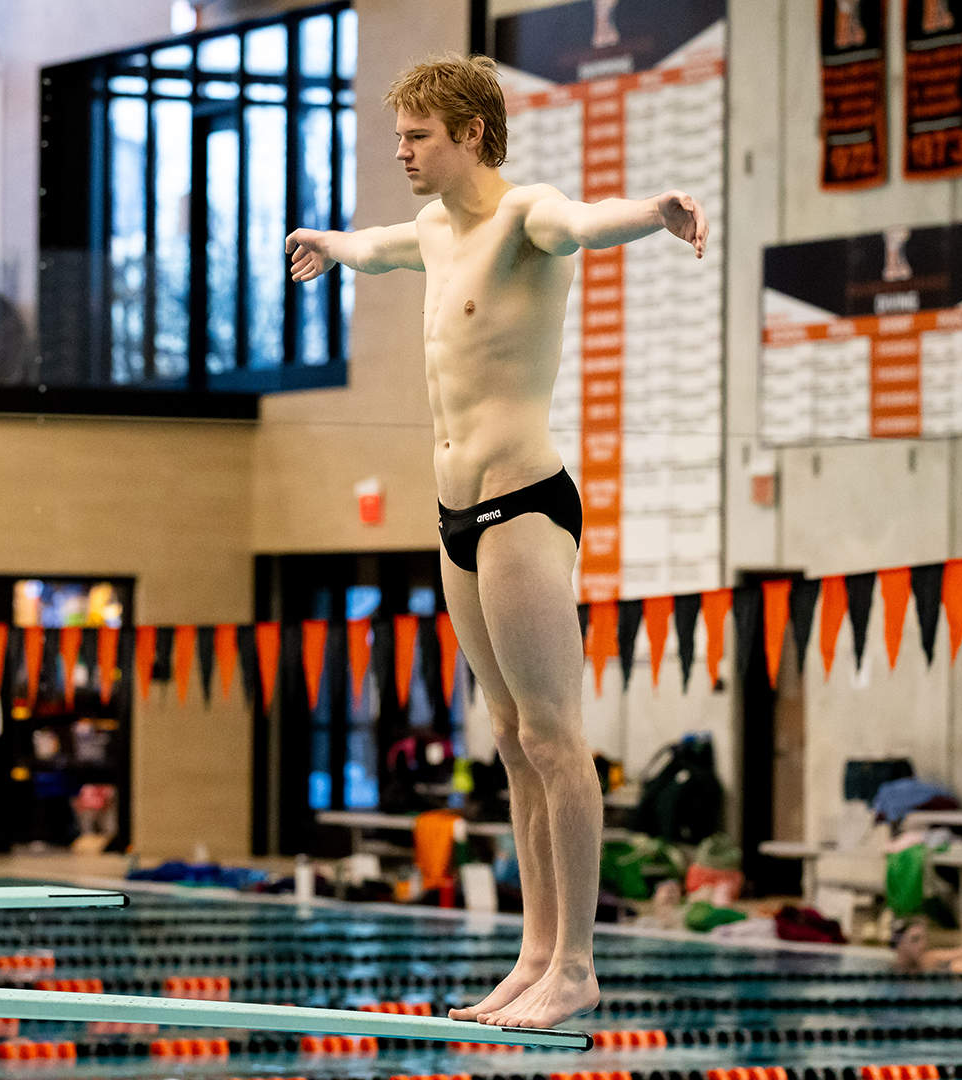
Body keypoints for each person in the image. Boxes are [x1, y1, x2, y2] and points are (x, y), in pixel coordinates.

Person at [284, 54, 707, 1029]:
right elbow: (380, 244)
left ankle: (579, 963)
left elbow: (587, 222)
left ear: (472, 132)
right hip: (454, 518)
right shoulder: (434, 231)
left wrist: (659, 210)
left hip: (523, 504)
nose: (403, 153)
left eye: (417, 137)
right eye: (399, 137)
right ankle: (533, 953)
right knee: (511, 741)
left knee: (557, 739)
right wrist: (327, 242)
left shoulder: (527, 217)